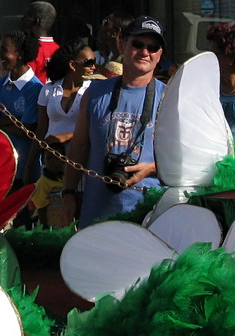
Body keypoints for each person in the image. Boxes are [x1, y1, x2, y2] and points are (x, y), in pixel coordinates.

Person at [67, 16, 165, 227]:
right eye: (138, 44)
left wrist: (152, 168)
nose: (145, 52)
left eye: (152, 47)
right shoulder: (94, 93)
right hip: (97, 215)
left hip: (149, 217)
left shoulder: (169, 98)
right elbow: (79, 146)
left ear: (160, 54)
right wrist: (68, 192)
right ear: (122, 44)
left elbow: (183, 159)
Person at [32, 42, 94, 226]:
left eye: (94, 62)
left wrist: (67, 136)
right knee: (49, 210)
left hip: (79, 159)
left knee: (77, 205)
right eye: (88, 62)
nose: (93, 67)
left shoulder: (92, 91)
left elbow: (94, 128)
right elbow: (41, 128)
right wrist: (30, 165)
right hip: (51, 161)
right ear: (72, 64)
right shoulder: (49, 89)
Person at [0, 30, 42, 184]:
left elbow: (27, 130)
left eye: (4, 50)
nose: (0, 55)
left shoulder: (35, 89)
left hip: (23, 170)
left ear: (20, 54)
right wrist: (16, 120)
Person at [23, 1, 60, 82]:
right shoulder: (58, 48)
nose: (23, 18)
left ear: (36, 21)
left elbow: (25, 79)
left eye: (28, 16)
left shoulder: (31, 49)